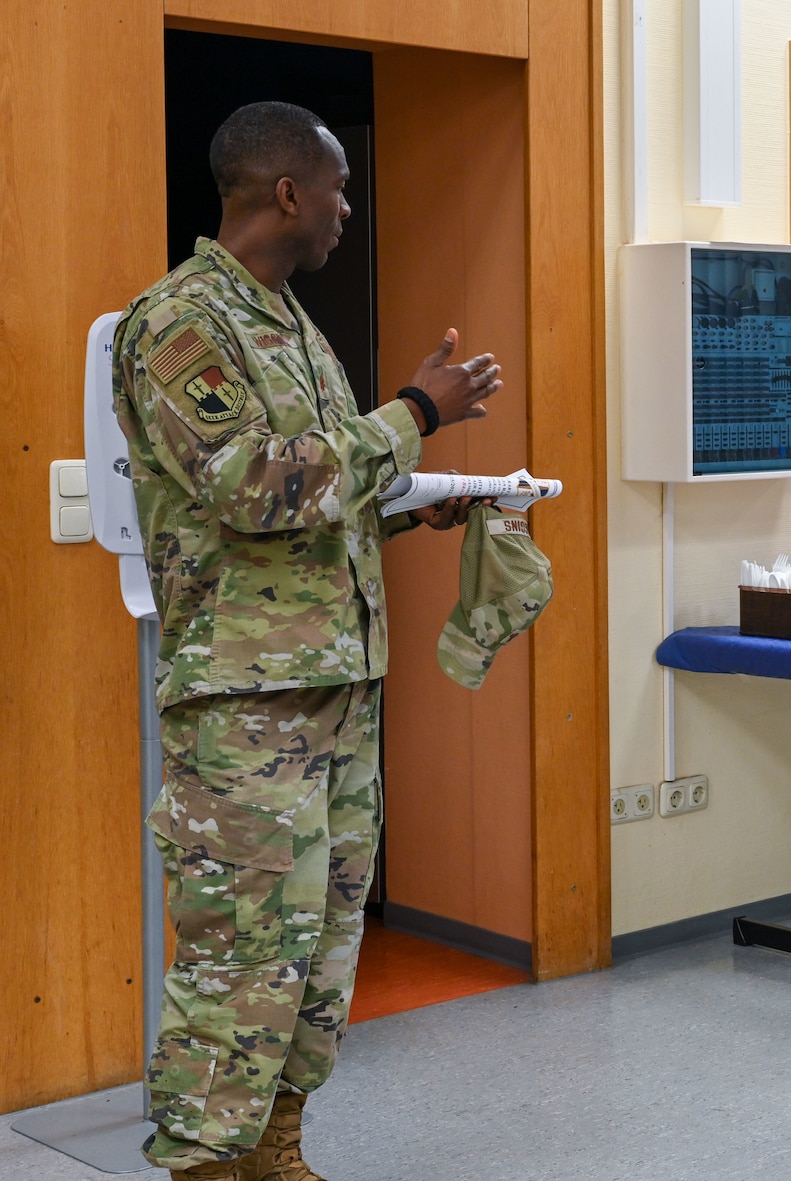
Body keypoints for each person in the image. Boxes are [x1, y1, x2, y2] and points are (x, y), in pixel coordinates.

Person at [112, 101, 503, 1181]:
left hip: (336, 694)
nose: (343, 211)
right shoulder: (182, 322)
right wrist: (416, 411)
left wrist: (402, 503)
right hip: (246, 710)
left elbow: (318, 495)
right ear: (285, 191)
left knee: (320, 951)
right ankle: (203, 1162)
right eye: (335, 189)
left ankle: (276, 1146)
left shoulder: (289, 321)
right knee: (240, 953)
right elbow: (250, 487)